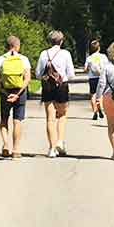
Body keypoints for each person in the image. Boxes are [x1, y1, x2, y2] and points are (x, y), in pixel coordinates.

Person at [35, 28, 76, 158]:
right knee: (62, 114)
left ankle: (52, 148)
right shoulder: (65, 54)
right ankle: (60, 141)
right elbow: (71, 75)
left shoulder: (43, 54)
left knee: (50, 118)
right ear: (61, 41)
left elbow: (37, 74)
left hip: (47, 87)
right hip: (61, 87)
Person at [0, 34, 31, 159]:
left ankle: (5, 145)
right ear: (17, 46)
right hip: (19, 92)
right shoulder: (23, 59)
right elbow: (27, 79)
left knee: (4, 119)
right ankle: (15, 149)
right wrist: (17, 94)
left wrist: (5, 92)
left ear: (7, 46)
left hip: (6, 92)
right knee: (17, 120)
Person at [84, 37, 111, 120]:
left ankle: (95, 111)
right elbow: (108, 67)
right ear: (99, 48)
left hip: (92, 78)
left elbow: (85, 69)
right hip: (102, 77)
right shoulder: (103, 57)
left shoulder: (89, 58)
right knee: (101, 94)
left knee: (93, 95)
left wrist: (88, 68)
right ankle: (100, 108)